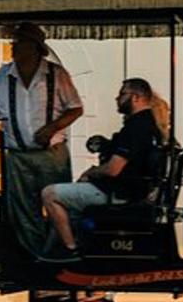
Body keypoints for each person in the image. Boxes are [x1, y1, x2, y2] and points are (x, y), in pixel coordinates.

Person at [0, 23, 83, 257]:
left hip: (52, 155)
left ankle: (58, 252)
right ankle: (36, 256)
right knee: (24, 211)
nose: (13, 48)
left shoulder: (56, 75)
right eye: (14, 43)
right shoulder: (1, 76)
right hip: (17, 156)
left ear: (35, 48)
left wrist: (53, 127)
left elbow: (75, 108)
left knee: (57, 206)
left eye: (19, 43)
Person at [40, 78, 164, 262]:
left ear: (136, 97)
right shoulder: (149, 126)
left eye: (122, 94)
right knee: (71, 208)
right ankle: (51, 254)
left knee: (50, 194)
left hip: (118, 193)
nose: (117, 98)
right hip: (130, 191)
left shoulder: (136, 127)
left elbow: (114, 169)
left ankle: (70, 250)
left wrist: (91, 172)